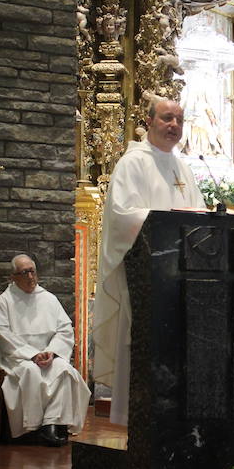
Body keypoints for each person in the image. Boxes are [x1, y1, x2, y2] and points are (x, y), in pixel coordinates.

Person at [92, 97, 207, 426]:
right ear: (149, 121)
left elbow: (198, 216)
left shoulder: (182, 166)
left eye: (180, 120)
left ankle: (175, 423)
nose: (174, 126)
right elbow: (121, 216)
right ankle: (143, 424)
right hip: (149, 276)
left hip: (181, 278)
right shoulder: (133, 163)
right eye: (167, 118)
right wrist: (167, 222)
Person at [0, 254, 90, 446]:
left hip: (47, 355)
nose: (30, 277)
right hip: (16, 358)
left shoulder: (48, 299)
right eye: (24, 272)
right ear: (13, 277)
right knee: (31, 371)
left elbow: (64, 330)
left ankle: (51, 424)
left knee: (64, 371)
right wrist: (31, 354)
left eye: (32, 271)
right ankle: (31, 428)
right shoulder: (5, 301)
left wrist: (51, 352)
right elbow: (1, 334)